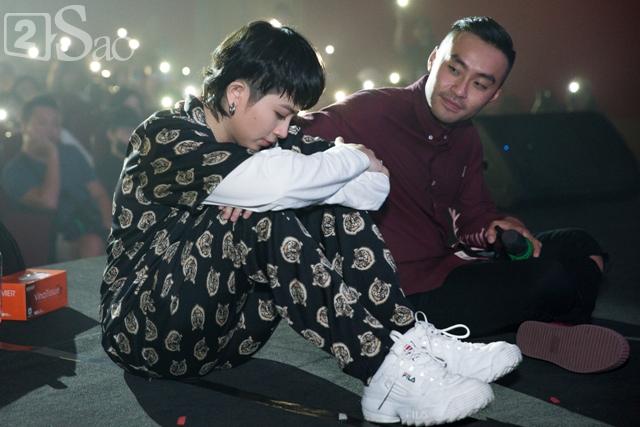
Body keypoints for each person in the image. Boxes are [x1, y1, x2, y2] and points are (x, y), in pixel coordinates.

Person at [99, 21, 523, 426]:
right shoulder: (166, 135)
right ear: (236, 94)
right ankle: (382, 370)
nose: (286, 130)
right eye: (280, 114)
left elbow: (374, 190)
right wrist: (347, 160)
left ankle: (408, 338)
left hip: (232, 340)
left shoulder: (262, 139)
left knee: (321, 204)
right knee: (265, 215)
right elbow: (283, 183)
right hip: (145, 333)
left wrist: (319, 177)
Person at [301, 16, 629, 373]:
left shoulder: (467, 137)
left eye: (479, 84)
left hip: (451, 265)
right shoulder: (370, 111)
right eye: (454, 69)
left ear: (494, 94)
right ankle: (551, 321)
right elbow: (291, 134)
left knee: (579, 244)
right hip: (402, 296)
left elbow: (473, 214)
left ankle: (552, 328)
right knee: (551, 278)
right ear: (433, 60)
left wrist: (495, 226)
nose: (459, 90)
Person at [1, 95, 111, 259]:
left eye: (56, 124)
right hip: (52, 238)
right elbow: (49, 201)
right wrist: (52, 154)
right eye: (42, 123)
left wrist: (109, 227)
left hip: (90, 223)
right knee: (92, 244)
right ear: (24, 126)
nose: (50, 129)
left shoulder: (72, 153)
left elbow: (99, 194)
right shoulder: (14, 170)